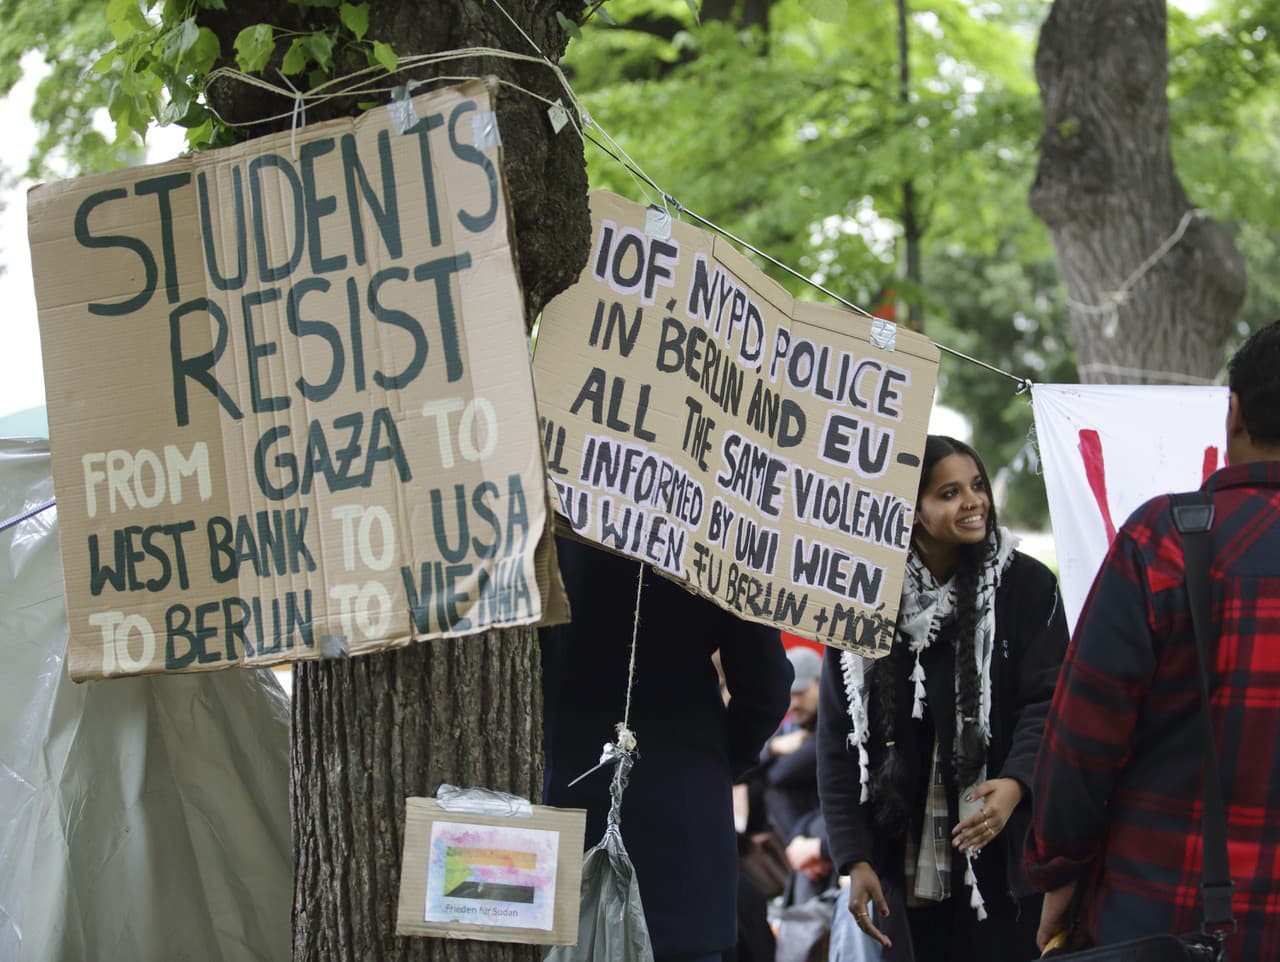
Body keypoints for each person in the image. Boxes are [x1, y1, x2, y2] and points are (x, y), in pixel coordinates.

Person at [1025, 320, 1280, 959]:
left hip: (1169, 910)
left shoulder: (1169, 539)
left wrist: (1059, 870)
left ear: (1234, 413)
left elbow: (1083, 735)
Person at [816, 435, 1070, 962]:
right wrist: (854, 858)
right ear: (910, 511)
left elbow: (1049, 701)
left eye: (977, 486)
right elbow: (839, 740)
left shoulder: (1026, 585)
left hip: (1002, 856)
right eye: (949, 493)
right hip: (902, 854)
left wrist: (1017, 783)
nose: (974, 501)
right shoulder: (864, 595)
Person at [541, 535, 793, 962]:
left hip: (560, 810)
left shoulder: (548, 505)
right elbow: (765, 687)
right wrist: (714, 765)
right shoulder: (719, 527)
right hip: (683, 827)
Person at [762, 647, 833, 904]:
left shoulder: (831, 727)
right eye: (789, 696)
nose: (794, 704)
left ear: (820, 683)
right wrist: (773, 747)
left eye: (801, 693)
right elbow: (743, 769)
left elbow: (778, 775)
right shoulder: (794, 729)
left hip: (827, 841)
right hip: (805, 844)